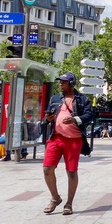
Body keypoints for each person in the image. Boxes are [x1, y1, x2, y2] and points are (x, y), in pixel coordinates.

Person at [42, 73, 94, 216]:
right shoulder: (55, 98)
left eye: (63, 82)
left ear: (71, 84)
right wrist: (48, 118)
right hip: (55, 138)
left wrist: (75, 119)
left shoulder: (83, 100)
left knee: (71, 172)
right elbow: (47, 117)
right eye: (60, 82)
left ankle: (69, 203)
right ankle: (55, 198)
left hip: (74, 139)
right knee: (47, 169)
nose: (60, 84)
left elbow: (90, 116)